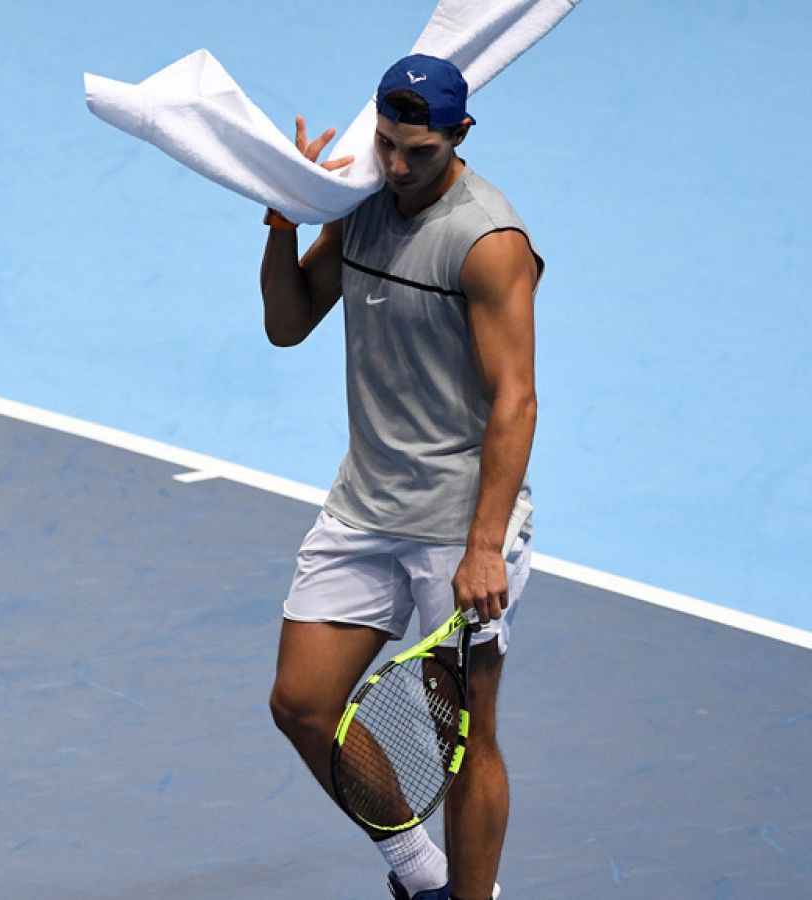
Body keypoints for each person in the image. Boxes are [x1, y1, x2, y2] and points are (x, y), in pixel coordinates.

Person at [259, 54, 542, 900]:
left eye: (415, 151)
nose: (393, 165)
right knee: (302, 704)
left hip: (459, 525)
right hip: (364, 507)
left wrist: (484, 546)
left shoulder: (489, 243)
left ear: (459, 136)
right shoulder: (362, 205)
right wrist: (286, 219)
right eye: (384, 143)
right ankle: (421, 876)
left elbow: (516, 401)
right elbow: (289, 322)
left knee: (464, 736)